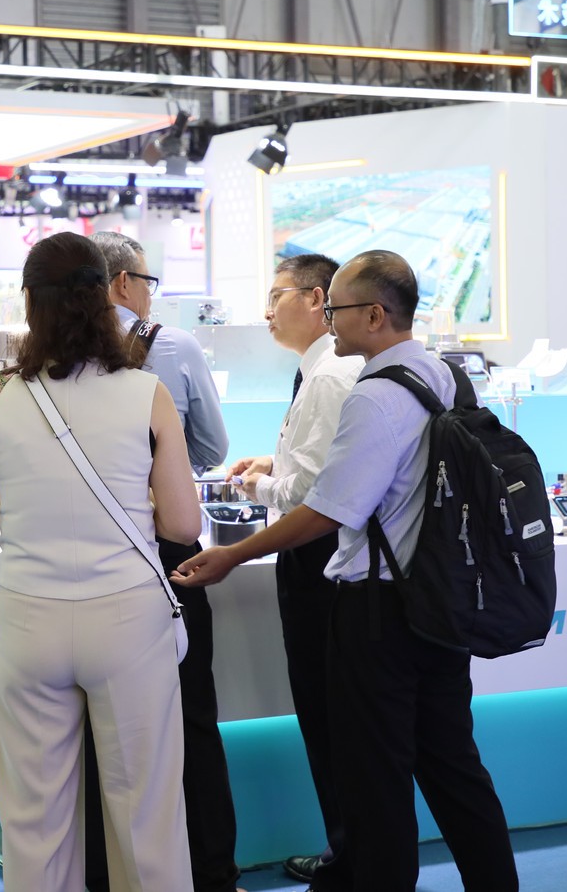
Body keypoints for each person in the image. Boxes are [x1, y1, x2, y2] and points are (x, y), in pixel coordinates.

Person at [174, 250, 519, 892]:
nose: (328, 319)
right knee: (453, 766)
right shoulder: (441, 375)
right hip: (439, 597)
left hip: (380, 609)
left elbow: (328, 510)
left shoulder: (374, 394)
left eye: (336, 308)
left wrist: (233, 554)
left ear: (375, 314)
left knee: (373, 779)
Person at [0, 232, 201, 892]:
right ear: (105, 296)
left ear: (30, 301)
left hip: (29, 619)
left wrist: (24, 495)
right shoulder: (146, 391)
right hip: (129, 621)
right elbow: (183, 524)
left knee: (36, 825)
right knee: (147, 819)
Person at [89, 230, 239, 892]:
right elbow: (212, 447)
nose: (151, 293)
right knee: (191, 716)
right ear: (124, 282)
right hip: (168, 551)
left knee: (99, 724)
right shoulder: (171, 346)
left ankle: (107, 871)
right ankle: (210, 872)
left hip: (92, 553)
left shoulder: (47, 356)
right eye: (148, 280)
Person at [226, 254, 361, 889]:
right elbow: (317, 464)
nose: (266, 311)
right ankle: (349, 853)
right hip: (322, 557)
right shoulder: (320, 372)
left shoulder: (330, 376)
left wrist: (259, 486)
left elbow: (311, 491)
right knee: (332, 717)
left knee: (330, 717)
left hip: (319, 559)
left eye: (277, 295)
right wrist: (272, 464)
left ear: (316, 298)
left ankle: (349, 858)